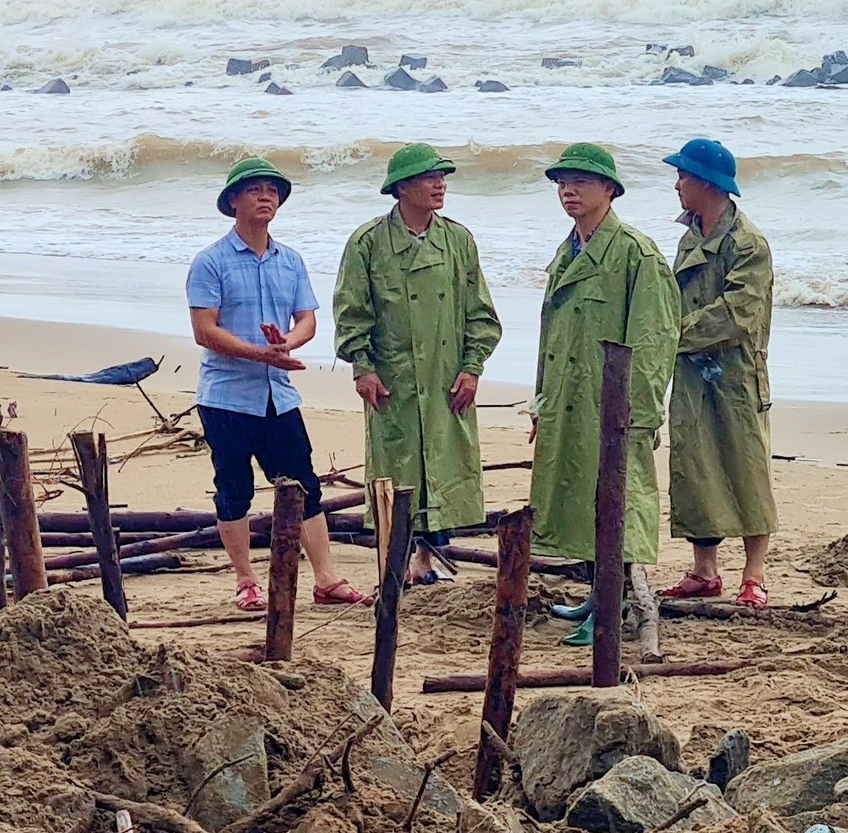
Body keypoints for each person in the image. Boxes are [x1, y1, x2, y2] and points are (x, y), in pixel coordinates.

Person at [186, 156, 365, 612]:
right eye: (254, 190)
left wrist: (286, 343)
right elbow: (204, 331)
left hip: (279, 395)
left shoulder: (291, 261)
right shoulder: (210, 262)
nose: (265, 196)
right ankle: (246, 580)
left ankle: (326, 578)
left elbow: (306, 319)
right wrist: (258, 353)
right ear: (232, 202)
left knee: (303, 484)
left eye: (272, 190)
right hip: (226, 395)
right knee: (234, 489)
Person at [528, 144, 679, 646]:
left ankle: (613, 609)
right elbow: (550, 335)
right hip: (569, 399)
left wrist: (639, 412)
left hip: (612, 405)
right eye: (561, 183)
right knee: (578, 501)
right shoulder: (567, 248)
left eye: (581, 182)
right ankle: (597, 595)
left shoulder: (636, 253)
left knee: (617, 502)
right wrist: (541, 400)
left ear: (610, 190)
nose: (568, 191)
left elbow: (655, 340)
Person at [332, 144, 502, 583]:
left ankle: (428, 560)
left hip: (447, 376)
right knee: (396, 471)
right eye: (429, 177)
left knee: (444, 466)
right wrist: (362, 367)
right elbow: (352, 312)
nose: (439, 184)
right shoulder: (368, 243)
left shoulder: (458, 240)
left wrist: (473, 366)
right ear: (402, 187)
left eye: (442, 177)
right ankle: (397, 564)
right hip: (393, 380)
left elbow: (480, 313)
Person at [657, 138, 776, 607]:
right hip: (690, 372)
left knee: (745, 470)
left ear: (707, 182)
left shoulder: (748, 244)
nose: (677, 183)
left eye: (684, 175)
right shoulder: (690, 235)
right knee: (693, 467)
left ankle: (754, 575)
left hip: (735, 375)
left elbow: (736, 314)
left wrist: (671, 336)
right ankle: (704, 572)